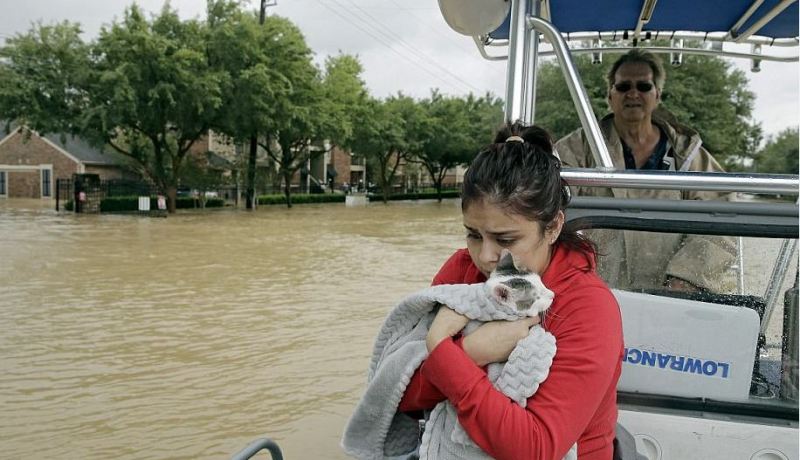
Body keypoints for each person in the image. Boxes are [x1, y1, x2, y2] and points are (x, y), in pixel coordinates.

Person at [398, 122, 624, 459]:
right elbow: (397, 395)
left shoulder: (587, 307)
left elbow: (536, 448)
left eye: (506, 240)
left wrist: (448, 353)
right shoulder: (462, 270)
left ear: (553, 226)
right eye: (473, 234)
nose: (485, 257)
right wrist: (472, 354)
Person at [555, 49, 736, 293]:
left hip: (670, 298)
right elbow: (548, 204)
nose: (633, 93)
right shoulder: (577, 148)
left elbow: (723, 218)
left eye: (643, 86)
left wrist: (687, 277)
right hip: (594, 291)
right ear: (610, 95)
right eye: (623, 86)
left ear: (657, 95)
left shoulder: (687, 154)